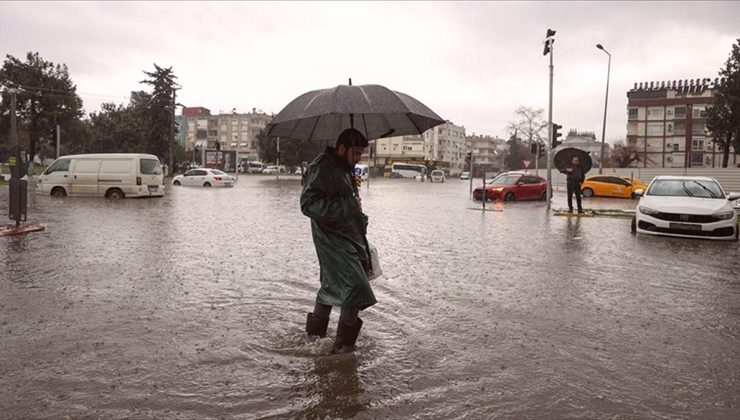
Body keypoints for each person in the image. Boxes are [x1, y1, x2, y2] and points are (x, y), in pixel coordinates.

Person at [300, 128, 375, 354]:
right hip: (331, 239)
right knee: (355, 286)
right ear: (342, 148)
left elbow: (347, 203)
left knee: (331, 286)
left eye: (362, 153)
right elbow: (308, 205)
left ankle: (314, 340)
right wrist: (349, 206)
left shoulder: (345, 168)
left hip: (348, 237)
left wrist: (359, 216)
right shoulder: (322, 167)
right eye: (357, 152)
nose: (359, 158)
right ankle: (343, 349)